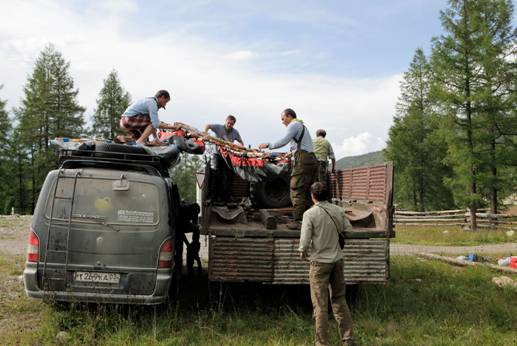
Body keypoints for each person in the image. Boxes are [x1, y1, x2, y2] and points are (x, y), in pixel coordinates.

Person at [299, 182, 354, 346]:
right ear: (327, 195)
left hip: (319, 263)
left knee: (320, 305)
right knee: (339, 300)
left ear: (312, 196)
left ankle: (322, 343)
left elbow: (305, 239)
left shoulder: (310, 214)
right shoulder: (338, 210)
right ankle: (348, 339)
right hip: (337, 261)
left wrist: (302, 251)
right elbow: (349, 230)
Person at [259, 108, 318, 229]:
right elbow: (297, 146)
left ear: (289, 116)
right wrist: (288, 154)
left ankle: (298, 221)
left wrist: (268, 145)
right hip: (311, 159)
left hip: (303, 160)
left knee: (296, 189)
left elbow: (284, 140)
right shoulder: (301, 126)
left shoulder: (294, 124)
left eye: (283, 118)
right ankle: (312, 219)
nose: (282, 122)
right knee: (309, 191)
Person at [204, 115, 244, 202]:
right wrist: (205, 133)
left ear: (233, 125)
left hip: (227, 155)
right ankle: (212, 197)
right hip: (217, 153)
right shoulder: (219, 127)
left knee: (229, 174)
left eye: (231, 124)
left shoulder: (235, 132)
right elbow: (208, 125)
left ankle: (226, 197)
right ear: (225, 121)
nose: (229, 125)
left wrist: (236, 146)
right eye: (228, 123)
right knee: (215, 174)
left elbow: (241, 143)